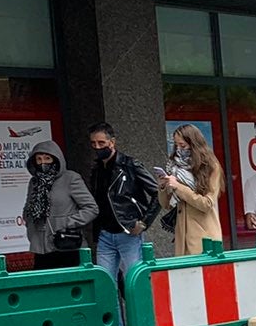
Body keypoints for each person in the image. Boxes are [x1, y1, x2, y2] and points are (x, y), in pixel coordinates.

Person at [85, 122, 160, 296]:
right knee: (106, 288)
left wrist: (143, 223)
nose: (97, 147)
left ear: (112, 142)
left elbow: (158, 193)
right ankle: (117, 325)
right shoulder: (96, 169)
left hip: (128, 232)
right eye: (93, 143)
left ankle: (140, 323)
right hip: (105, 234)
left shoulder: (130, 165)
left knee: (135, 284)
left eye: (101, 143)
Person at [21, 140, 98, 270]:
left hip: (66, 245)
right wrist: (29, 222)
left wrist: (67, 223)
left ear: (56, 159)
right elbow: (28, 206)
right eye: (39, 159)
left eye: (47, 158)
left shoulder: (71, 178)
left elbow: (91, 208)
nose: (43, 162)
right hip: (41, 247)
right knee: (45, 286)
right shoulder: (34, 182)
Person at [159, 124, 226, 257]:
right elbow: (166, 204)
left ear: (194, 144)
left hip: (204, 238)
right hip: (182, 236)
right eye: (176, 145)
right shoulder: (175, 167)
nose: (179, 149)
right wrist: (162, 186)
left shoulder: (211, 166)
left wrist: (178, 186)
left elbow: (206, 204)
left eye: (183, 146)